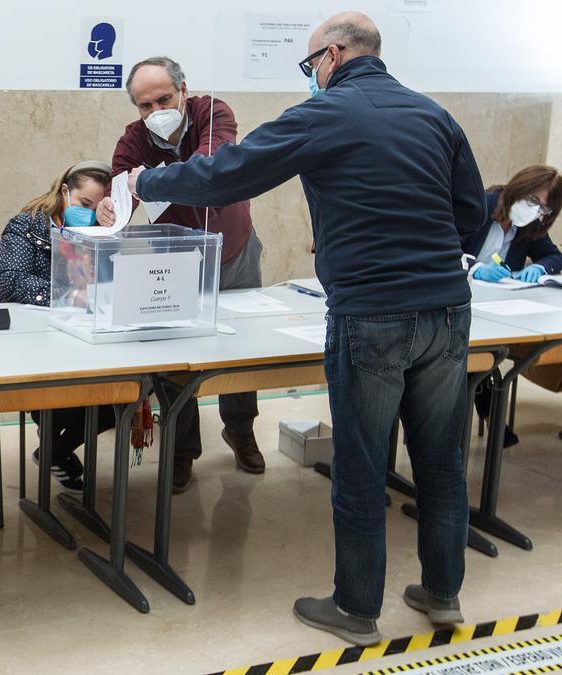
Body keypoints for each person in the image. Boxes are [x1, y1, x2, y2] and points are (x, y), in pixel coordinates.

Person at [127, 12, 486, 645]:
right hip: (448, 312)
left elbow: (228, 173)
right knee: (441, 463)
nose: (312, 75)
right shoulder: (436, 115)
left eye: (311, 64)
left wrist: (147, 181)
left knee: (362, 463)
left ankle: (354, 608)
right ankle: (443, 593)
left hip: (371, 312)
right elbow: (468, 212)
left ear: (334, 54)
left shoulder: (324, 114)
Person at [98, 56, 265, 492]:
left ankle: (240, 430)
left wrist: (148, 180)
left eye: (163, 99)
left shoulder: (214, 113)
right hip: (175, 261)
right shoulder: (134, 140)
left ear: (184, 90)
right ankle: (180, 451)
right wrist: (110, 206)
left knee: (241, 350)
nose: (155, 112)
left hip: (233, 249)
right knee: (178, 358)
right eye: (144, 105)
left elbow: (210, 166)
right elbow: (121, 187)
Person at [0, 161, 117, 491]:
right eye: (83, 204)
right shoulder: (27, 225)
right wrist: (71, 293)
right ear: (64, 191)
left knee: (124, 395)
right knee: (59, 398)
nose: (89, 214)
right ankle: (56, 449)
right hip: (32, 339)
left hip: (85, 334)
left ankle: (52, 451)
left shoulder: (103, 232)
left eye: (97, 208)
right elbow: (8, 283)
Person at [466, 164, 562, 446]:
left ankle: (491, 415)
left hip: (497, 307)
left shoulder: (531, 225)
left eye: (543, 209)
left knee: (495, 350)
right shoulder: (480, 206)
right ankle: (490, 417)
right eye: (533, 201)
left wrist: (541, 268)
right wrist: (474, 268)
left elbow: (554, 256)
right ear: (520, 187)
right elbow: (444, 247)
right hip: (458, 298)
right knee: (481, 355)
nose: (535, 211)